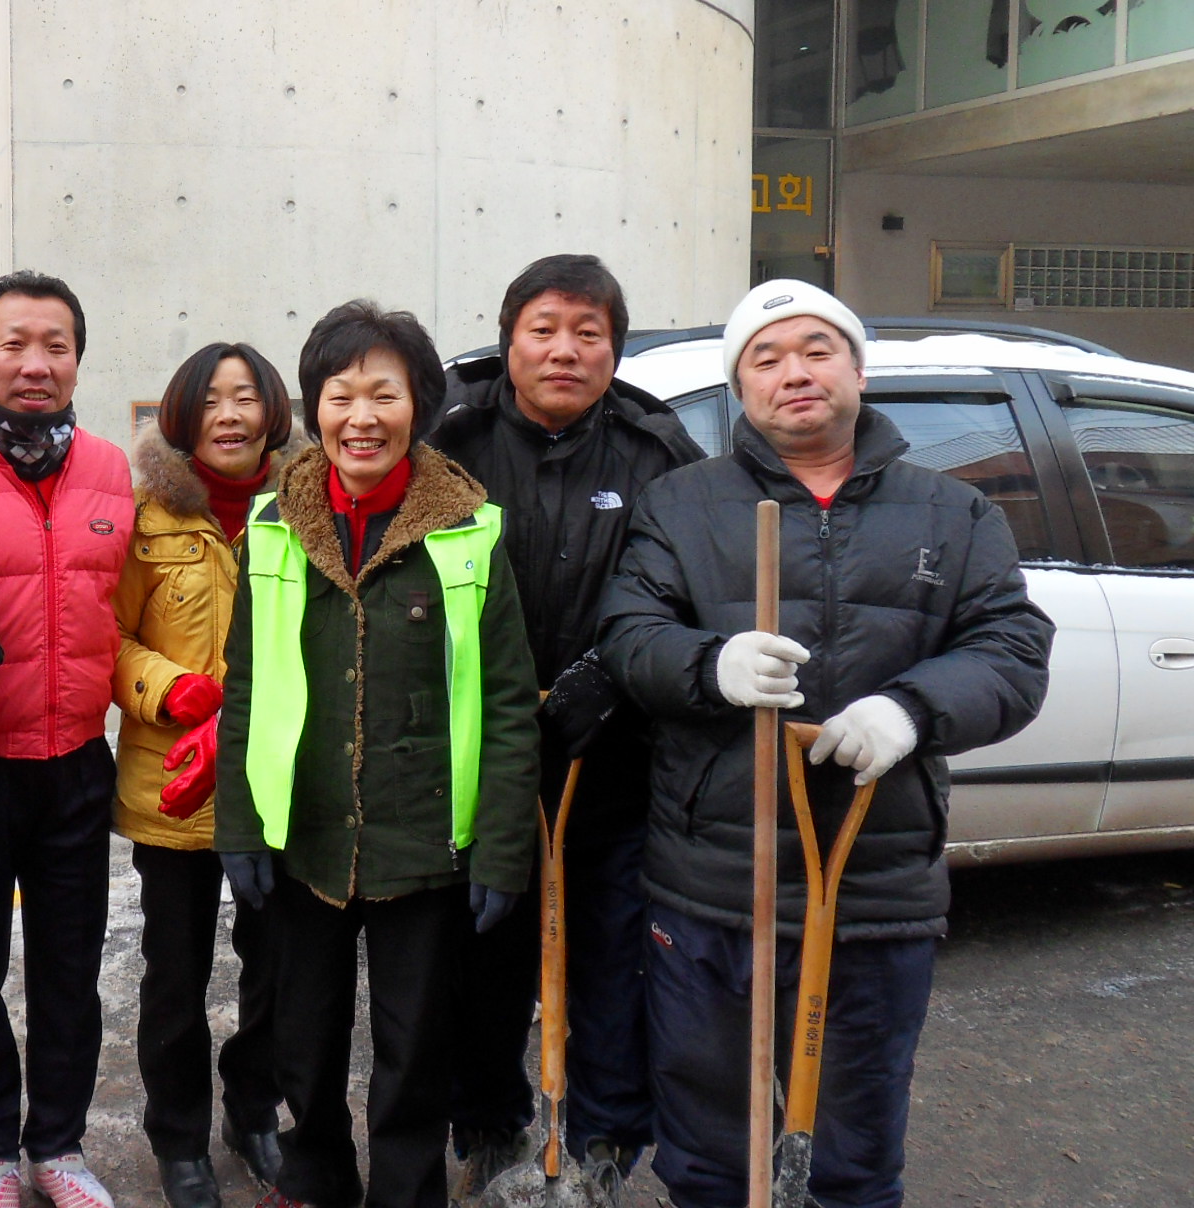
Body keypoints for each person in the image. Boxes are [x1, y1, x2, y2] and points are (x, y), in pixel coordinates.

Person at [597, 280, 1052, 1208]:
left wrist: (914, 709)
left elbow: (1012, 650)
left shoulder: (953, 514)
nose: (793, 373)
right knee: (711, 1157)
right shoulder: (683, 505)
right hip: (713, 887)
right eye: (764, 358)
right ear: (740, 386)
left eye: (816, 349)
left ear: (857, 368)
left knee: (851, 1157)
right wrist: (707, 664)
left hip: (875, 887)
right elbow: (627, 637)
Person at [215, 300, 542, 1208]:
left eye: (384, 395)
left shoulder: (468, 530)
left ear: (420, 405)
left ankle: (406, 1193)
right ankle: (318, 1180)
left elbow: (511, 702)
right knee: (304, 1048)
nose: (362, 416)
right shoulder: (275, 526)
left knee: (414, 1055)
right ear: (314, 407)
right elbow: (245, 687)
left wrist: (504, 848)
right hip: (304, 840)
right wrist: (240, 825)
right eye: (340, 394)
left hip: (427, 844)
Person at [432, 255, 702, 1206]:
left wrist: (612, 679)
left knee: (612, 960)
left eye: (589, 333)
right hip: (479, 755)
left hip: (612, 758)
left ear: (614, 350)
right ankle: (491, 1122)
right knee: (484, 953)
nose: (564, 350)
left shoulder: (656, 451)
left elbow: (681, 592)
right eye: (544, 328)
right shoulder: (449, 439)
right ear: (509, 338)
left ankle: (601, 1136)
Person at [0, 271, 137, 1208]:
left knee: (69, 970)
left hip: (74, 763)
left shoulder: (111, 471)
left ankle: (58, 1143)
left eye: (55, 345)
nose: (35, 364)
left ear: (78, 360)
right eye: (14, 344)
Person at [115, 344, 306, 1208]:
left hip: (282, 781)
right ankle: (179, 1137)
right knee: (176, 973)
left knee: (276, 968)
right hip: (175, 787)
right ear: (184, 418)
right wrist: (168, 688)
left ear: (272, 412)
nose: (230, 416)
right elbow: (108, 639)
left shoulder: (307, 509)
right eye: (211, 402)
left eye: (246, 399)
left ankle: (253, 1110)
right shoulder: (144, 516)